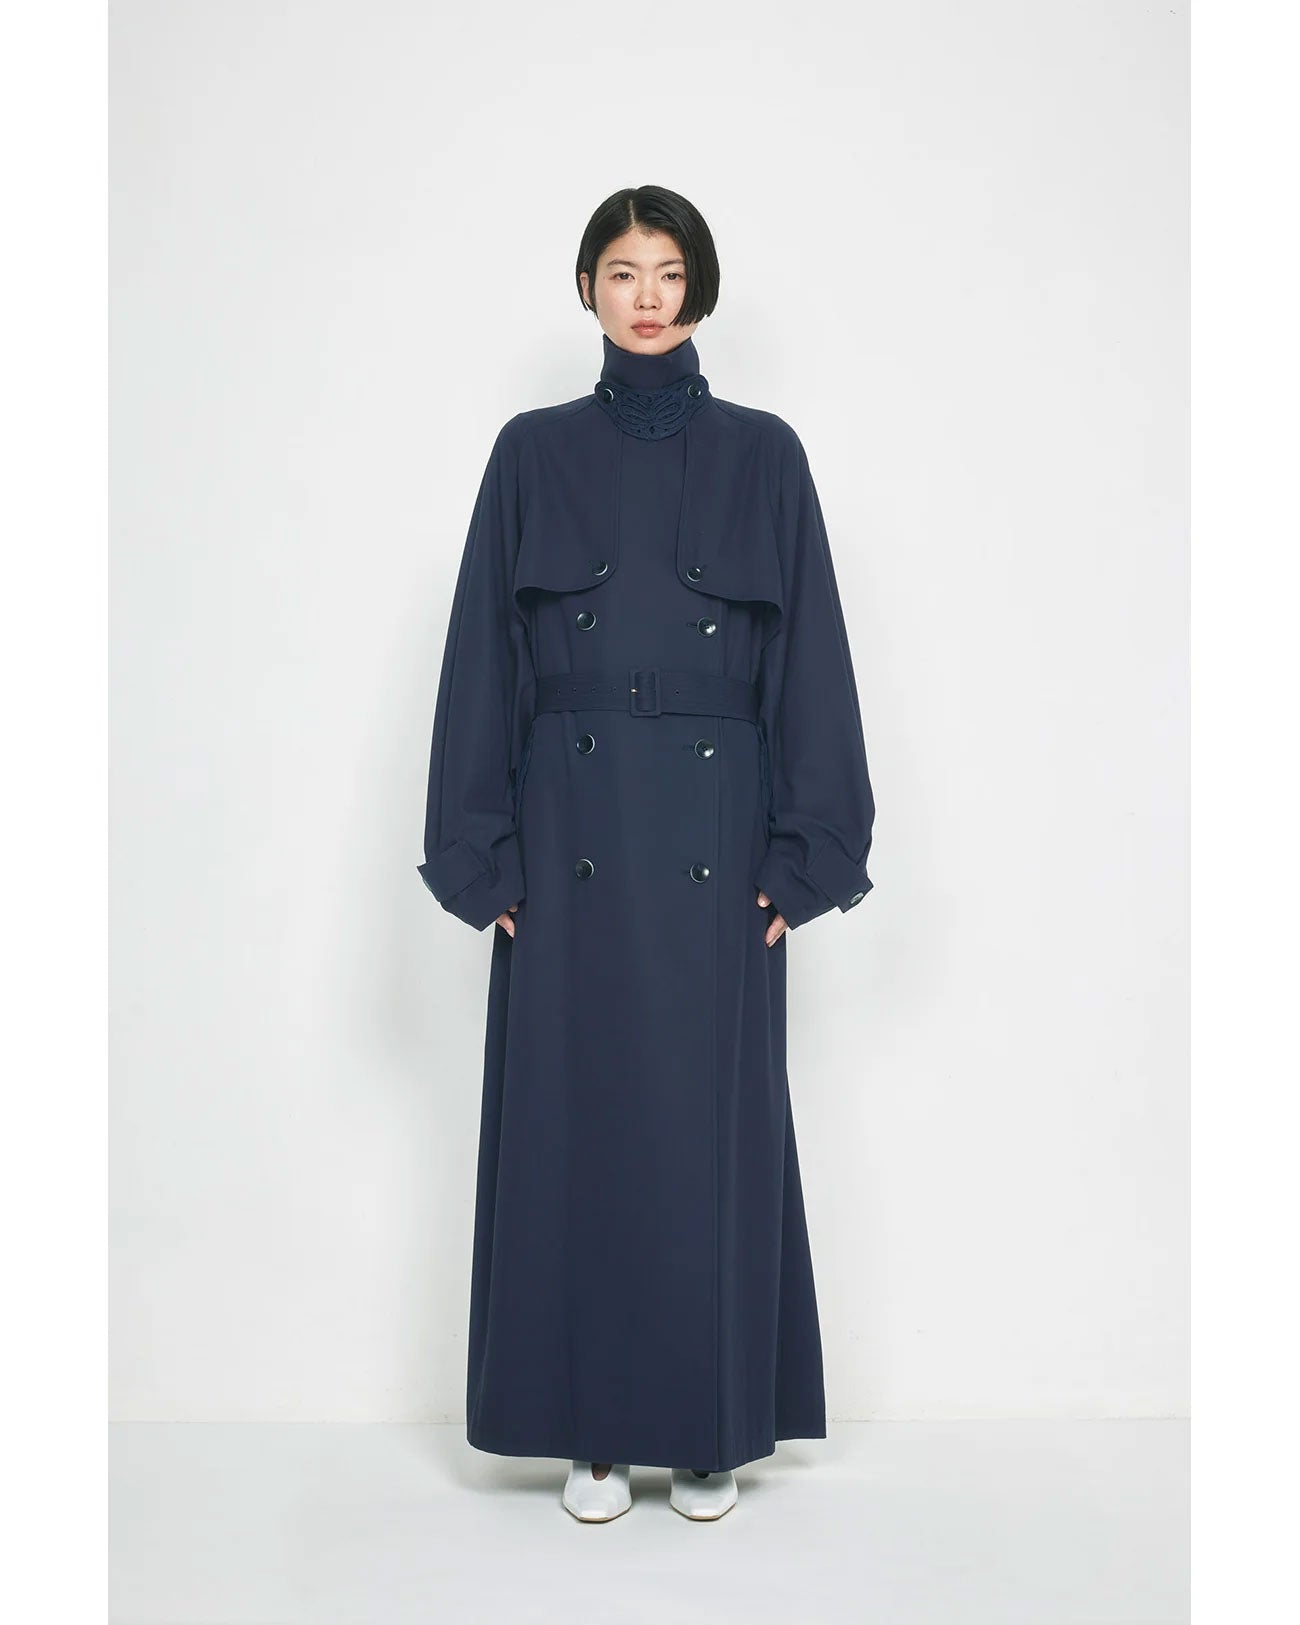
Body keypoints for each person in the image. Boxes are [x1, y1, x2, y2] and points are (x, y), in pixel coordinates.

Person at [417, 185, 876, 1523]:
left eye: (668, 271)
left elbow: (812, 662)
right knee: (578, 1134)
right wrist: (482, 858)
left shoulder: (766, 455)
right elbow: (480, 661)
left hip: (718, 855)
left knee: (707, 1141)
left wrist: (805, 857)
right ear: (588, 289)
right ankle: (595, 1434)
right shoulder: (531, 453)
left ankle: (712, 1429)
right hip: (569, 846)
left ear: (699, 288)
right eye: (622, 271)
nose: (647, 296)